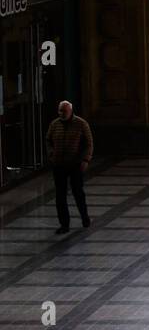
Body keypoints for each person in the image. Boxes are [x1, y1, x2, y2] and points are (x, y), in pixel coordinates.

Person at [45, 101, 93, 235]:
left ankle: (84, 217)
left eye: (64, 111)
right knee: (60, 195)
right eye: (60, 111)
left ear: (70, 111)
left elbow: (89, 143)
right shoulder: (54, 124)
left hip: (75, 164)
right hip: (59, 164)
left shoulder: (81, 124)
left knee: (78, 192)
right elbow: (48, 139)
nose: (62, 114)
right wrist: (51, 154)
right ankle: (64, 224)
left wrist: (85, 159)